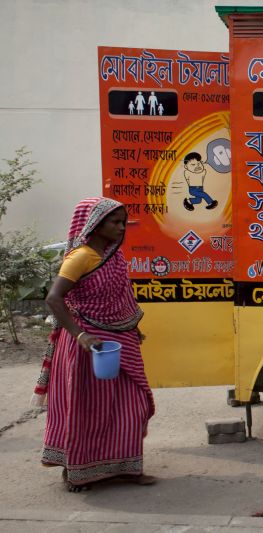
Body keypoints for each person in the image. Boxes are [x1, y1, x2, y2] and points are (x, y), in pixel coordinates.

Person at [32, 197, 156, 492]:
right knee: (87, 409)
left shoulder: (114, 255)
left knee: (132, 404)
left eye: (123, 222)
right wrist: (80, 335)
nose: (122, 227)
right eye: (115, 222)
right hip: (87, 344)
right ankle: (78, 471)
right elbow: (54, 298)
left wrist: (132, 326)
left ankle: (127, 467)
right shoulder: (81, 257)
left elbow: (120, 297)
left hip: (120, 340)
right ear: (95, 225)